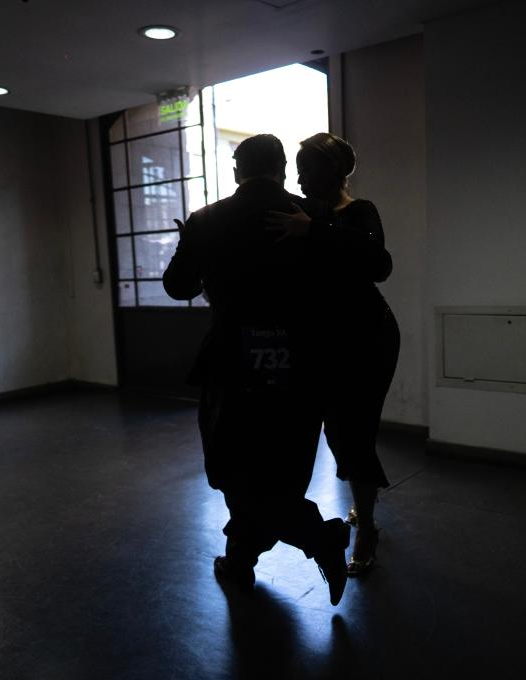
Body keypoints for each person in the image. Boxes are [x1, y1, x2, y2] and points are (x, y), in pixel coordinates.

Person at [162, 134, 350, 606]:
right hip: (299, 362)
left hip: (232, 361)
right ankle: (249, 558)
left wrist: (189, 244)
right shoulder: (313, 214)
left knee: (234, 467)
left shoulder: (207, 219)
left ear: (236, 170)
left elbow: (178, 287)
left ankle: (299, 543)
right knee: (285, 467)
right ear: (283, 169)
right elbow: (341, 282)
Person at [265, 132, 400, 577]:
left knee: (354, 433)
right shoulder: (299, 215)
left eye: (307, 168)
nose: (300, 177)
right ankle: (363, 504)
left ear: (333, 171)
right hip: (324, 341)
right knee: (340, 432)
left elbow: (379, 264)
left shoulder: (359, 212)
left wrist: (314, 231)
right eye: (297, 168)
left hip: (369, 337)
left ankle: (367, 529)